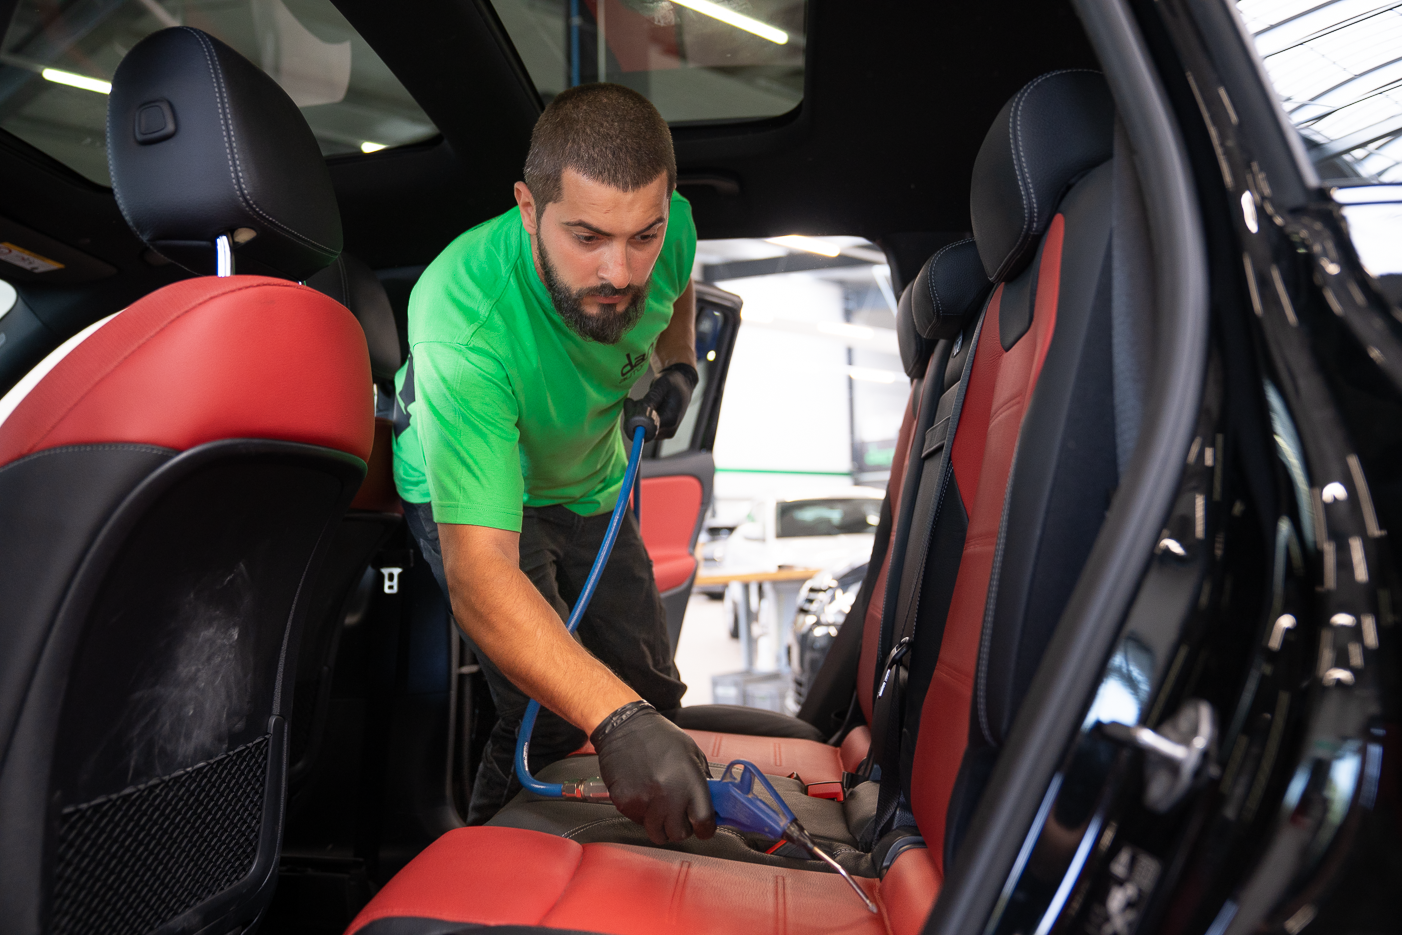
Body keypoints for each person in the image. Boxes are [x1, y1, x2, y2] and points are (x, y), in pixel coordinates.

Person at [390, 83, 715, 844]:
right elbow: (482, 574)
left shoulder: (670, 232)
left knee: (655, 693)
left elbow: (678, 286)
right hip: (476, 484)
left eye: (642, 236)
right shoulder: (464, 317)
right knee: (549, 718)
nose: (620, 272)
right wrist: (614, 719)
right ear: (529, 209)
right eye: (587, 237)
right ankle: (484, 880)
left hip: (590, 477)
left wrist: (679, 366)